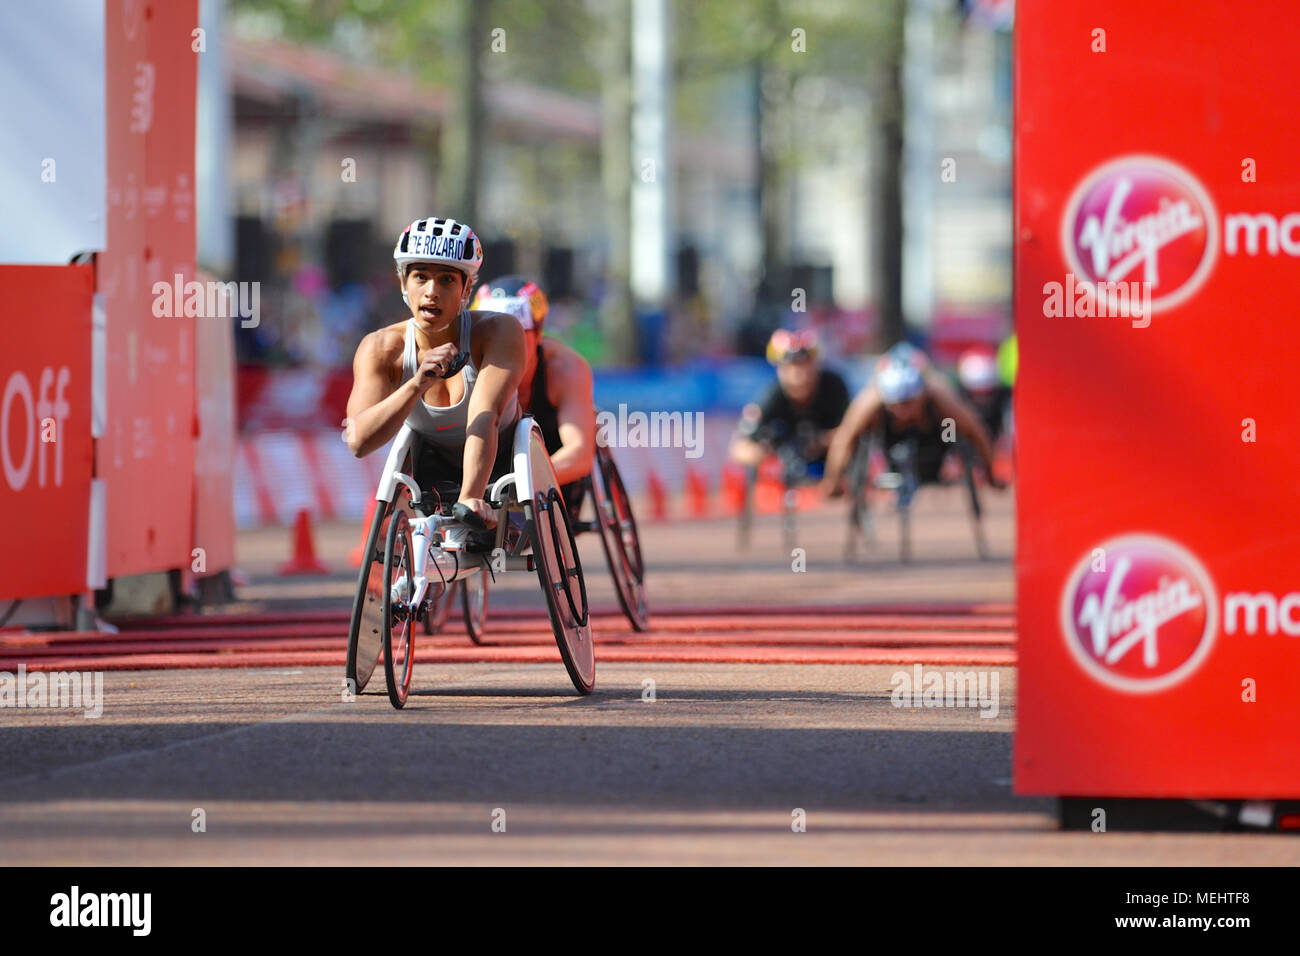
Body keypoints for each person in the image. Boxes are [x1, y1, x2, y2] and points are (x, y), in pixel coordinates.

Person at [344, 216, 525, 530]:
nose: (431, 292)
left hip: (501, 457)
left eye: (446, 280)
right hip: (431, 459)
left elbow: (485, 415)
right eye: (420, 277)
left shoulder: (499, 331)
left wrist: (470, 496)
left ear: (467, 287)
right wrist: (417, 383)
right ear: (403, 283)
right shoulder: (380, 349)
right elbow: (359, 441)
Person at [472, 276, 595, 516]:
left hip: (548, 458)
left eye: (515, 332)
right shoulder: (466, 368)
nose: (503, 344)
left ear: (538, 334)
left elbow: (579, 453)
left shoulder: (566, 369)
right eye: (491, 333)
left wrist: (524, 482)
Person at [820, 342, 1002, 497]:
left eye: (908, 403)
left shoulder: (940, 398)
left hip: (934, 434)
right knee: (856, 429)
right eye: (896, 404)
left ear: (921, 395)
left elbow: (976, 431)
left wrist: (990, 474)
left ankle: (943, 457)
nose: (903, 411)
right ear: (885, 398)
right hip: (889, 434)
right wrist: (832, 480)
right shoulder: (871, 401)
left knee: (956, 424)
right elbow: (844, 438)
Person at [728, 328, 851, 481]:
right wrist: (769, 454)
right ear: (779, 369)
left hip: (834, 474)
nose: (799, 375)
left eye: (805, 365)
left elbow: (855, 430)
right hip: (787, 479)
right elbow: (738, 449)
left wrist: (823, 442)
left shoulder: (834, 387)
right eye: (791, 366)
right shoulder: (771, 396)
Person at [955, 346, 1011, 443]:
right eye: (977, 394)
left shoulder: (1005, 400)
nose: (983, 399)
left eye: (988, 393)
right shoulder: (954, 403)